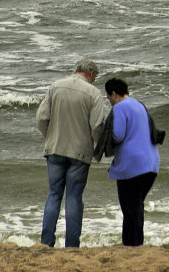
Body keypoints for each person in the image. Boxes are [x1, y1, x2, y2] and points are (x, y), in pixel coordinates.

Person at [35, 58, 108, 248]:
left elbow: (41, 119)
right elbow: (96, 127)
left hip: (55, 149)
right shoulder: (93, 93)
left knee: (54, 195)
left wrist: (50, 138)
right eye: (95, 76)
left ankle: (46, 242)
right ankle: (72, 245)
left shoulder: (55, 86)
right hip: (80, 153)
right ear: (91, 73)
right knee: (74, 197)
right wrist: (99, 149)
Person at [101, 77, 160, 247]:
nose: (110, 102)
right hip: (152, 164)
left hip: (132, 166)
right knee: (135, 206)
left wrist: (103, 129)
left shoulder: (120, 107)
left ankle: (134, 245)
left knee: (130, 208)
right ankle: (131, 244)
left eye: (109, 97)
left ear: (113, 93)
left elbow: (117, 134)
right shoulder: (139, 105)